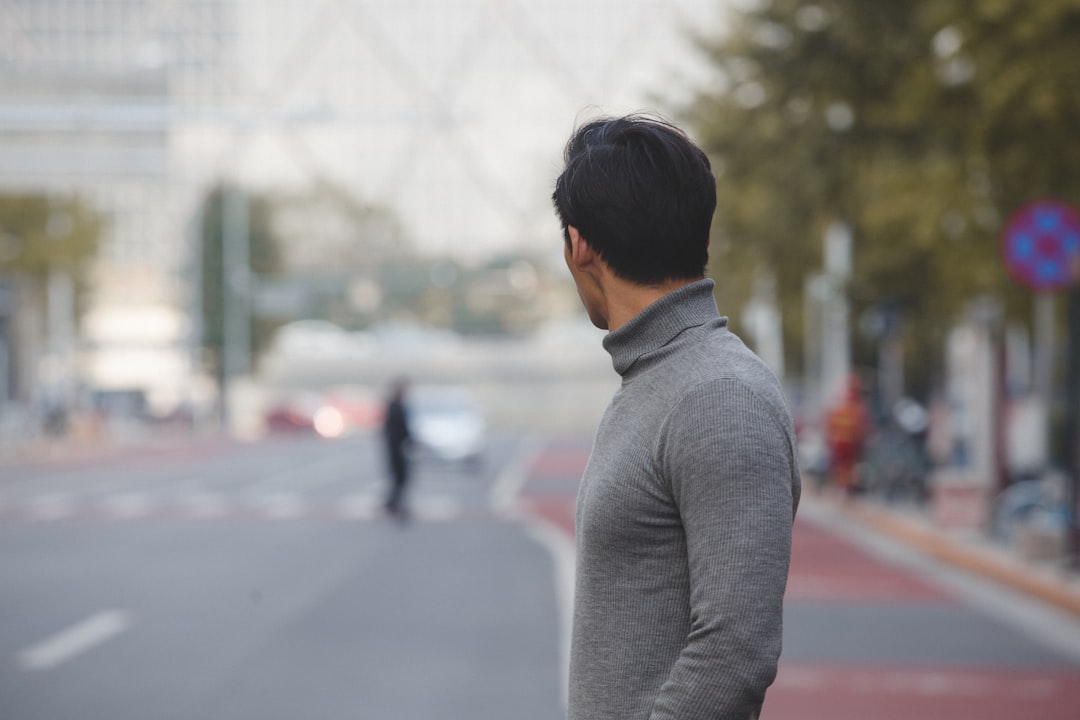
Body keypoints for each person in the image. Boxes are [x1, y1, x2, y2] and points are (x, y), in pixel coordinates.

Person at [551, 114, 801, 720]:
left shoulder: (718, 396)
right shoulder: (658, 379)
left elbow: (737, 650)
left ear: (578, 246)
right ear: (702, 240)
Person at [824, 374, 870, 496]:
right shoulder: (857, 409)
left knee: (845, 469)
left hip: (843, 444)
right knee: (845, 469)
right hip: (846, 445)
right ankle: (844, 489)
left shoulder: (846, 407)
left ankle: (843, 489)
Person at [382, 378, 412, 521]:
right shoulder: (395, 406)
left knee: (400, 477)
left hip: (397, 446)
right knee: (400, 476)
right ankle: (393, 503)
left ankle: (392, 502)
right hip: (396, 447)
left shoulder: (396, 405)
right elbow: (396, 428)